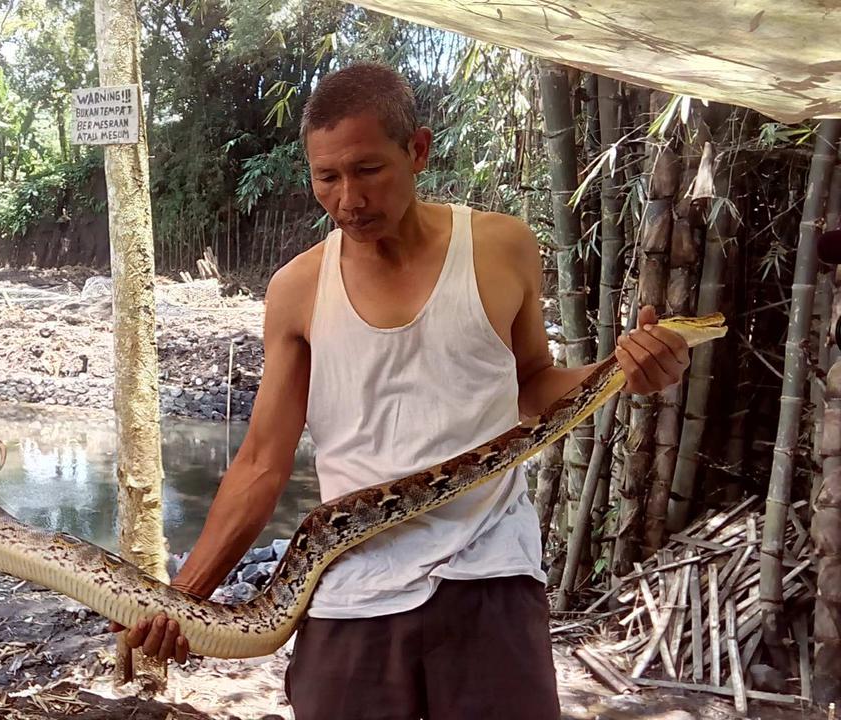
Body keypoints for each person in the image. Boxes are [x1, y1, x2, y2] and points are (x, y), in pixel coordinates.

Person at [114, 62, 692, 718]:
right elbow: (261, 463)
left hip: (490, 575)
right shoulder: (297, 289)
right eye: (326, 178)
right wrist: (183, 598)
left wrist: (621, 370)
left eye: (367, 171)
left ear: (417, 150)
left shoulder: (501, 248)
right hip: (350, 592)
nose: (347, 201)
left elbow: (532, 385)